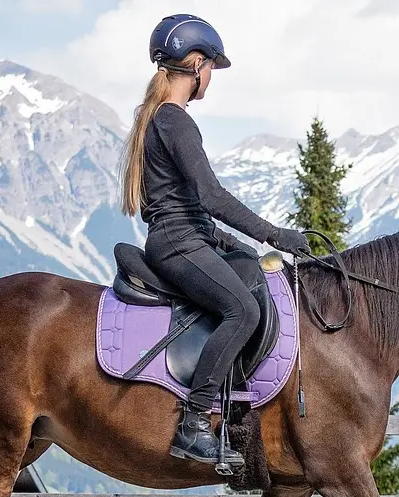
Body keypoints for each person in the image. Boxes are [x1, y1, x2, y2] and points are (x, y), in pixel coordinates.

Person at [118, 13, 311, 467]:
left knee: (248, 273)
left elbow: (190, 206)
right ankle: (194, 420)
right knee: (241, 309)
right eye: (211, 70)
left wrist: (235, 245)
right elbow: (210, 196)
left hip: (187, 237)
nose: (210, 80)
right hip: (177, 244)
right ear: (197, 65)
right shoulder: (176, 121)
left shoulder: (159, 119)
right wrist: (274, 234)